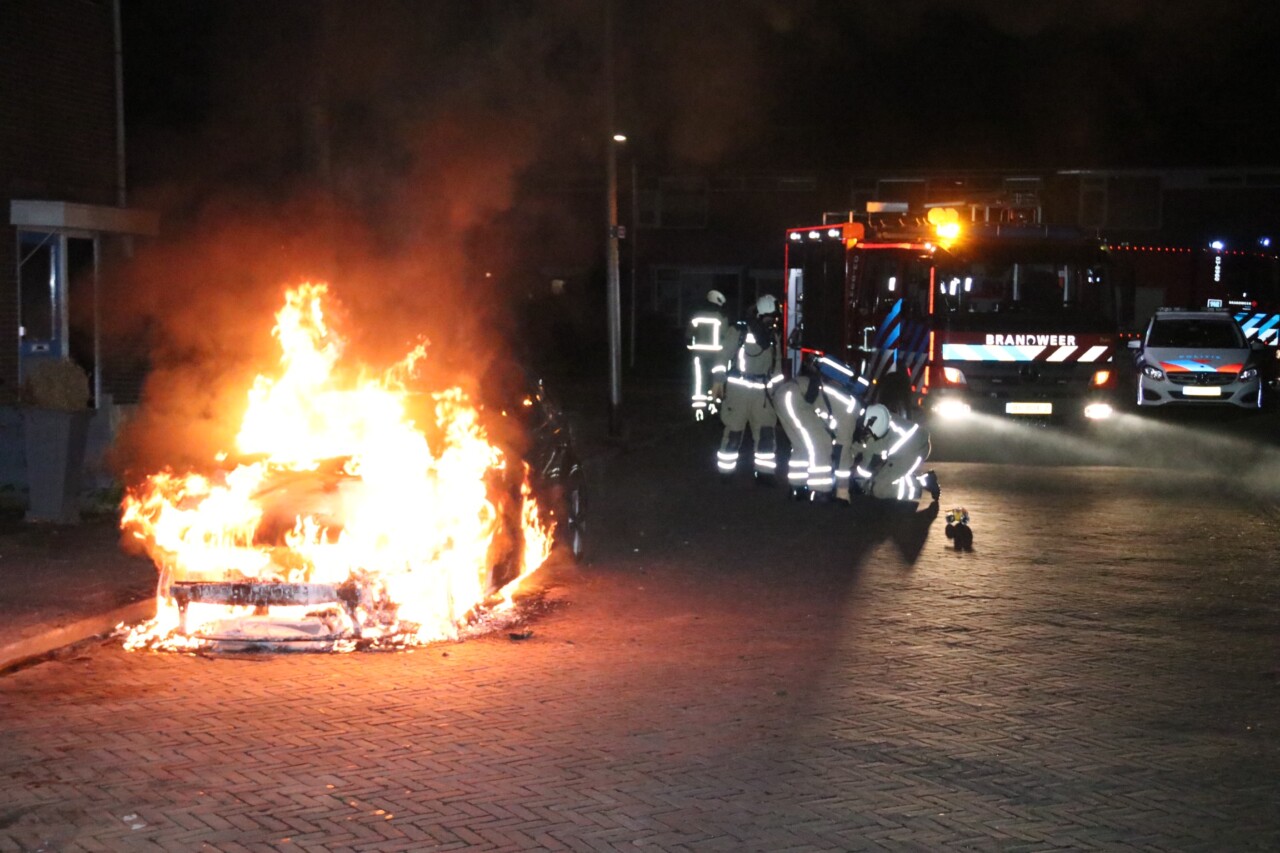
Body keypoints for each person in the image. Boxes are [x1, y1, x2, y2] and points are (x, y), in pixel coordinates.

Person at [775, 354, 869, 503]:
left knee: (802, 446)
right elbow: (842, 453)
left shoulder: (850, 405)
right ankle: (820, 492)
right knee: (821, 443)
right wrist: (842, 490)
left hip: (785, 393)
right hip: (793, 397)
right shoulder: (850, 414)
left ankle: (797, 489)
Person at [716, 294, 784, 484]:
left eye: (775, 317)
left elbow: (776, 365)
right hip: (739, 392)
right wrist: (717, 381)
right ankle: (726, 473)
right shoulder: (739, 331)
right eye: (771, 316)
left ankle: (764, 473)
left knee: (766, 434)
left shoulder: (773, 337)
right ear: (761, 314)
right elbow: (723, 357)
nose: (773, 321)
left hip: (762, 394)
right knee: (733, 433)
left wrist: (777, 391)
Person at [851, 402, 940, 503]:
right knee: (877, 479)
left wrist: (858, 482)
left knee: (879, 489)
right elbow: (859, 445)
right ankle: (913, 479)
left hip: (912, 451)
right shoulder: (876, 415)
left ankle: (920, 484)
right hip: (916, 443)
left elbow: (867, 465)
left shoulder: (872, 430)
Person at [686, 289, 728, 421]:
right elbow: (726, 337)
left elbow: (688, 335)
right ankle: (713, 405)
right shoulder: (721, 317)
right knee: (714, 381)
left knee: (699, 382)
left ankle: (699, 410)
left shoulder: (696, 316)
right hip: (717, 357)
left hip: (699, 355)